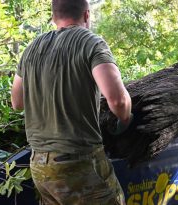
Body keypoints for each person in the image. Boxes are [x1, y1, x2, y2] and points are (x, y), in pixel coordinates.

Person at [10, 0, 132, 204]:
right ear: (86, 15)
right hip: (78, 162)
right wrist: (125, 120)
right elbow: (118, 100)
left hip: (40, 166)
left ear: (53, 17)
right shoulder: (90, 42)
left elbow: (17, 102)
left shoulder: (31, 48)